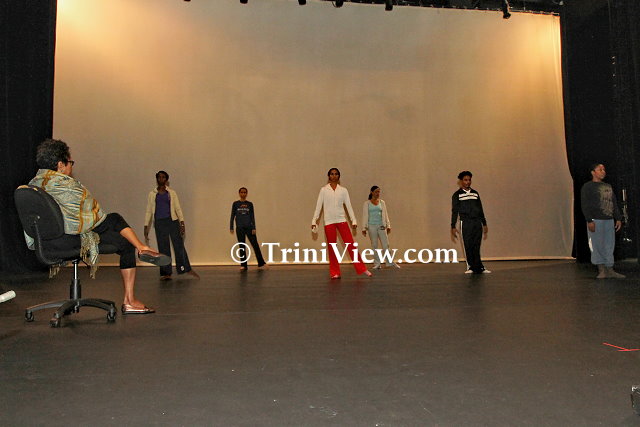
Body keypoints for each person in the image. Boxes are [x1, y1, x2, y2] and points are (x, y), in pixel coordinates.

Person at [26, 138, 168, 314]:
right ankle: (131, 294)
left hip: (47, 242)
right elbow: (94, 220)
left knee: (114, 221)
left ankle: (140, 247)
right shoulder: (68, 187)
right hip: (70, 240)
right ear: (60, 165)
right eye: (70, 162)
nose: (71, 167)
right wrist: (105, 223)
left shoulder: (33, 185)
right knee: (121, 237)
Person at [312, 168, 372, 279]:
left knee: (350, 244)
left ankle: (362, 268)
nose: (334, 176)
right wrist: (314, 221)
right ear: (329, 176)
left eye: (336, 174)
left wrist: (353, 220)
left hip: (341, 221)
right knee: (332, 248)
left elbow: (348, 206)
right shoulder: (324, 190)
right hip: (329, 222)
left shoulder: (343, 190)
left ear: (339, 176)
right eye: (332, 174)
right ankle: (335, 272)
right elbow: (318, 207)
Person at [143, 171, 199, 281]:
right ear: (157, 179)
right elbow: (149, 211)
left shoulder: (172, 193)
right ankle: (166, 273)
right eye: (159, 177)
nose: (161, 179)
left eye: (163, 177)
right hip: (159, 223)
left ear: (166, 179)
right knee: (163, 248)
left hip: (172, 221)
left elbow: (178, 208)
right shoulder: (152, 194)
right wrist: (146, 226)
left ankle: (185, 268)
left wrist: (182, 223)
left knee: (179, 245)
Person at [580, 163, 625, 279]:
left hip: (608, 220)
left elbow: (613, 202)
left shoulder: (608, 186)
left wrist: (618, 218)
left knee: (609, 244)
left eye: (604, 169)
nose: (603, 171)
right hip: (596, 220)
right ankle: (601, 269)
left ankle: (610, 269)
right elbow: (585, 204)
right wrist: (589, 220)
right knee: (597, 244)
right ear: (593, 172)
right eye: (600, 169)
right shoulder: (588, 186)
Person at [450, 171, 490, 274]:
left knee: (477, 245)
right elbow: (455, 211)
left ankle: (479, 267)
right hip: (466, 222)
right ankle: (470, 267)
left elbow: (480, 208)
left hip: (477, 222)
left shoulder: (475, 193)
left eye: (469, 180)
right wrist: (453, 226)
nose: (468, 182)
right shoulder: (457, 195)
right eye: (465, 180)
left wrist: (484, 223)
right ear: (461, 181)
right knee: (468, 245)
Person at [362, 186, 399, 269]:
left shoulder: (382, 202)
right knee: (374, 245)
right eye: (376, 192)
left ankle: (390, 262)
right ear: (372, 192)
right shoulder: (367, 203)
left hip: (381, 226)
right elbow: (364, 216)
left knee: (386, 245)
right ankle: (377, 263)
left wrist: (388, 225)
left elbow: (385, 214)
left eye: (379, 192)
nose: (378, 193)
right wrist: (364, 228)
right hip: (371, 226)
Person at [230, 187, 266, 271]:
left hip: (249, 227)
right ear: (239, 193)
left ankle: (261, 263)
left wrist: (254, 227)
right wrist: (231, 226)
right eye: (241, 192)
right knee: (242, 246)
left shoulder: (250, 204)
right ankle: (243, 265)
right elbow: (232, 215)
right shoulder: (235, 204)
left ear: (247, 194)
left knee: (255, 245)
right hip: (240, 228)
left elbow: (252, 216)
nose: (243, 194)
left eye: (244, 192)